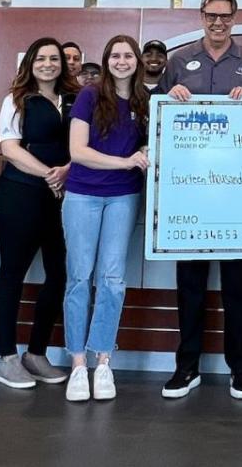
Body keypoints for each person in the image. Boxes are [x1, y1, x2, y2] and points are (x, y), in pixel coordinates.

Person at [159, 0, 242, 401]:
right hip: (189, 194)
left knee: (237, 286)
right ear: (201, 16)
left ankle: (240, 368)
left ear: (234, 19)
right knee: (190, 285)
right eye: (211, 15)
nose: (218, 22)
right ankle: (187, 368)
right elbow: (158, 119)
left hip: (239, 194)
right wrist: (169, 100)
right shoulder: (177, 61)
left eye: (225, 16)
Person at [62, 35, 150, 402]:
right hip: (83, 195)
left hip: (123, 197)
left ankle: (103, 360)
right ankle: (78, 364)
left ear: (137, 61)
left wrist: (143, 150)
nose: (121, 61)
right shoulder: (89, 95)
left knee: (112, 279)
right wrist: (126, 161)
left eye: (128, 55)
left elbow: (150, 141)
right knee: (80, 278)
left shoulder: (145, 100)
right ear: (106, 59)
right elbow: (78, 151)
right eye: (115, 55)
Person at [0, 38, 79, 389]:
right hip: (21, 193)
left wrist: (68, 169)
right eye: (41, 58)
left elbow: (86, 143)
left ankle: (36, 353)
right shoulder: (16, 99)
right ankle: (7, 357)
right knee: (12, 271)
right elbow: (9, 147)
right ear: (30, 63)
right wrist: (49, 173)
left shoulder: (74, 100)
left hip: (62, 197)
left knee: (59, 275)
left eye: (54, 58)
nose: (48, 64)